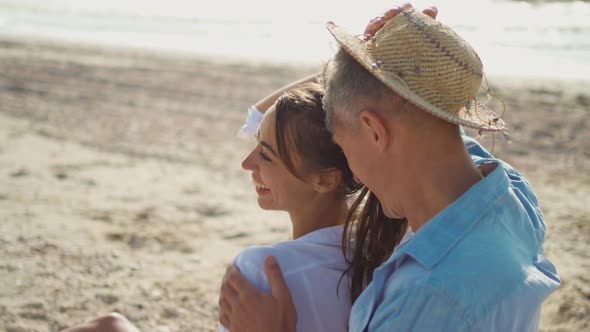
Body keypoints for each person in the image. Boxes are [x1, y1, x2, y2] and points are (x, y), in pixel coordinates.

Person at [219, 5, 560, 332]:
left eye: (341, 144)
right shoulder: (508, 193)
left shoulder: (423, 298)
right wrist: (373, 62)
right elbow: (424, 119)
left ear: (374, 131)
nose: (352, 170)